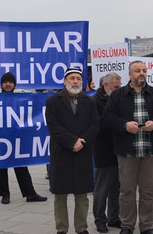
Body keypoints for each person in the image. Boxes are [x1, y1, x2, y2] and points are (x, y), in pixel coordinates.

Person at [104, 60, 153, 234]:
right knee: (126, 191)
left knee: (149, 191)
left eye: (144, 70)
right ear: (130, 74)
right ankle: (127, 225)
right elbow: (107, 117)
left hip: (151, 150)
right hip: (127, 151)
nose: (141, 73)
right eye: (137, 71)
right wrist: (124, 125)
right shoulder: (118, 94)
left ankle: (146, 226)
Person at [45, 67, 99, 234]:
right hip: (62, 153)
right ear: (65, 81)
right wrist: (72, 141)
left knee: (82, 195)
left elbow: (95, 125)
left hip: (82, 153)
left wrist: (81, 141)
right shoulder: (53, 101)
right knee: (60, 194)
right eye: (72, 78)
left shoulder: (90, 101)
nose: (75, 81)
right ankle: (61, 228)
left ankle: (81, 228)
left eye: (78, 79)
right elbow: (53, 126)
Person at [0, 72, 47, 204]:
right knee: (1, 167)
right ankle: (5, 195)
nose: (7, 84)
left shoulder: (21, 98)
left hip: (17, 138)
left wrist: (36, 99)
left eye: (10, 82)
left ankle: (30, 193)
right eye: (5, 82)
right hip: (0, 137)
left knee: (21, 166)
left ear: (14, 84)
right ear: (1, 84)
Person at [92, 73, 122, 233]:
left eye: (119, 87)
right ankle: (100, 219)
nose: (118, 90)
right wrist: (119, 124)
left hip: (120, 149)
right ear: (106, 85)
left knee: (116, 187)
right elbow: (99, 125)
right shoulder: (95, 101)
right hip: (103, 149)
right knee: (102, 188)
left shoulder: (117, 98)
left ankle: (114, 217)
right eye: (116, 87)